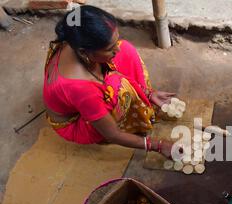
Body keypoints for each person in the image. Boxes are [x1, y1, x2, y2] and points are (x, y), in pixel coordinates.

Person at [43, 5, 178, 158]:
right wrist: (158, 145)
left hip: (81, 95)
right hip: (76, 124)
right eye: (110, 48)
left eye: (115, 41)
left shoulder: (73, 35)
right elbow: (112, 134)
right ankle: (136, 117)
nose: (116, 49)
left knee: (126, 49)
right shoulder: (82, 89)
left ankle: (141, 98)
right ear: (83, 52)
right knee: (118, 88)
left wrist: (147, 92)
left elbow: (111, 57)